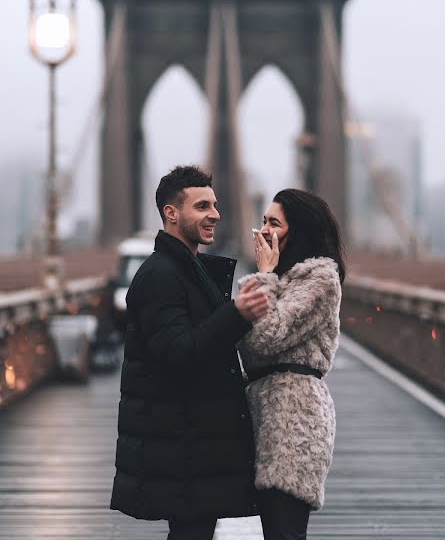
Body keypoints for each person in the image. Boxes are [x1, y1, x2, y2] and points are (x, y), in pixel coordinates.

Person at [110, 165, 269, 540]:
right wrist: (237, 314)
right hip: (182, 445)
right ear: (171, 213)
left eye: (214, 205)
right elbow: (179, 353)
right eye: (202, 206)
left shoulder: (188, 270)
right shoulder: (160, 277)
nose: (215, 214)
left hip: (194, 443)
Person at [237, 188, 345, 540]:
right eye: (263, 220)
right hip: (265, 417)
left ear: (297, 230)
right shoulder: (284, 281)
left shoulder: (320, 279)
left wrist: (264, 274)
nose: (263, 230)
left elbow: (268, 335)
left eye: (274, 223)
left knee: (285, 531)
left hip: (295, 421)